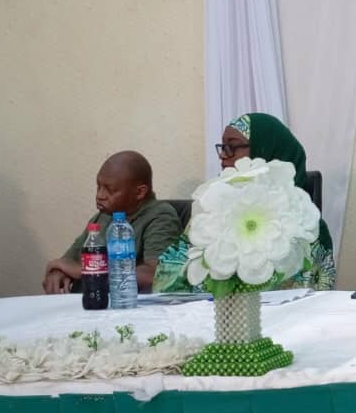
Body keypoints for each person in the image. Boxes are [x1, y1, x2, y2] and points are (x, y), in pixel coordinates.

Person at [154, 113, 336, 291]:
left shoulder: (307, 229)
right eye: (223, 147)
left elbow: (313, 297)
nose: (223, 155)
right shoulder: (211, 212)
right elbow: (168, 275)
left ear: (266, 149)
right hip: (203, 310)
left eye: (232, 146)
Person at [42, 151, 181, 294]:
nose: (100, 196)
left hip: (128, 303)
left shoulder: (160, 216)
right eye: (98, 187)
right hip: (91, 300)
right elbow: (69, 261)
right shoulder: (104, 216)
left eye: (110, 190)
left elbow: (155, 274)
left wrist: (86, 270)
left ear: (140, 192)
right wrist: (58, 273)